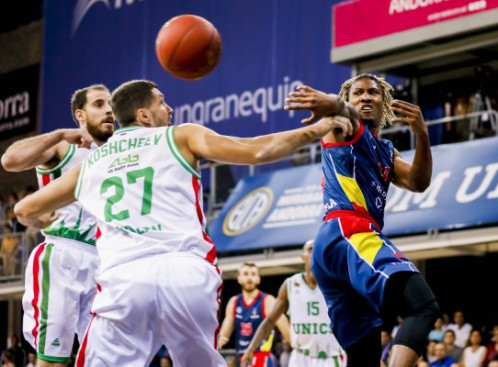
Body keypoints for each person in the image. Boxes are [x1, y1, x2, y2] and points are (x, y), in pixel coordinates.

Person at [13, 80, 353, 367]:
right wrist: (318, 129)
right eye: (162, 102)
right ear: (144, 115)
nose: (170, 109)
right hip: (186, 275)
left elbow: (25, 209)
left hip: (123, 280)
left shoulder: (92, 162)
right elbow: (257, 151)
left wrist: (41, 217)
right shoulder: (180, 136)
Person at [297, 74, 438, 367]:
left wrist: (422, 134)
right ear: (347, 101)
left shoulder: (386, 150)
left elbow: (418, 182)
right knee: (422, 306)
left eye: (373, 93)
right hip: (347, 231)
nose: (365, 97)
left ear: (383, 103)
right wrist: (333, 104)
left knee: (365, 355)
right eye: (357, 93)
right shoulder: (343, 126)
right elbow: (342, 113)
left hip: (335, 248)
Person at [2, 84, 113, 366]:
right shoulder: (64, 147)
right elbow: (10, 160)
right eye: (99, 104)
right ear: (81, 114)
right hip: (63, 254)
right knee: (53, 359)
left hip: (104, 263)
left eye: (110, 104)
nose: (109, 109)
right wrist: (59, 134)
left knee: (106, 359)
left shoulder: (117, 153)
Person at [241, 240, 346, 367]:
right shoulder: (290, 284)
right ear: (303, 257)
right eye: (310, 249)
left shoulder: (336, 282)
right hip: (300, 357)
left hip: (330, 357)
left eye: (317, 248)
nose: (314, 252)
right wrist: (251, 348)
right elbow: (270, 321)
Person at [219, 262, 290, 365]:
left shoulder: (267, 300)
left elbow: (285, 326)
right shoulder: (234, 302)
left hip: (262, 357)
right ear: (239, 279)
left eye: (253, 274)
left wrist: (297, 348)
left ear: (258, 279)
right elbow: (224, 336)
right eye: (246, 274)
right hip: (242, 358)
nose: (249, 278)